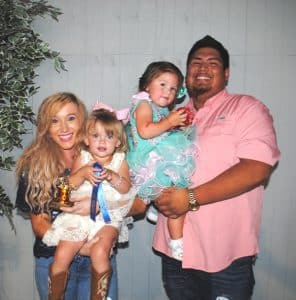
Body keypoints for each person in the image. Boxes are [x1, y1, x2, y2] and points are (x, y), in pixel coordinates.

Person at [153, 35, 281, 300]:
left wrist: (188, 198)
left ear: (226, 73)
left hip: (227, 257)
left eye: (212, 63)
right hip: (175, 253)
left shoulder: (247, 109)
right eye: (196, 62)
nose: (202, 67)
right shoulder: (167, 118)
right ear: (186, 74)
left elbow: (257, 168)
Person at [15, 92, 118, 300]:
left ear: (83, 121)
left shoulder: (102, 151)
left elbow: (135, 204)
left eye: (70, 118)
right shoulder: (36, 166)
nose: (63, 128)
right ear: (45, 128)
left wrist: (103, 206)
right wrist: (82, 247)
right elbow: (40, 225)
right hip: (55, 259)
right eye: (54, 121)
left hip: (97, 260)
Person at [42, 107, 135, 300]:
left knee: (100, 251)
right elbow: (67, 186)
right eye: (96, 135)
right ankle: (55, 295)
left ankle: (98, 296)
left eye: (109, 137)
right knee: (62, 254)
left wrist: (112, 176)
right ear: (86, 139)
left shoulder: (120, 161)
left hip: (107, 219)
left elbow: (126, 188)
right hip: (78, 217)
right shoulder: (83, 158)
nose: (102, 141)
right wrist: (82, 172)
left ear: (118, 142)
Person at [126, 61, 197, 261]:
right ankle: (176, 242)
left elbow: (161, 130)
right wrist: (169, 123)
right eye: (162, 84)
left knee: (182, 189)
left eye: (173, 88)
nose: (168, 91)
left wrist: (176, 126)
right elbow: (145, 130)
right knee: (180, 195)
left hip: (158, 157)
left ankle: (156, 207)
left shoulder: (161, 109)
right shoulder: (143, 104)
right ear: (147, 85)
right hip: (151, 160)